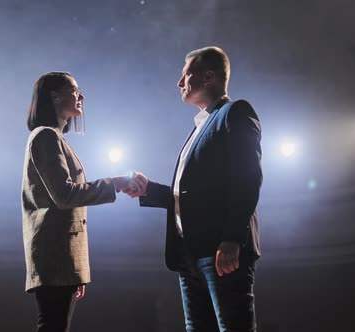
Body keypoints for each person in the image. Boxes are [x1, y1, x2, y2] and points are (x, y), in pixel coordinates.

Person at [132, 46, 262, 331]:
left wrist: (231, 239)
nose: (179, 83)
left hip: (220, 250)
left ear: (208, 77)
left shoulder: (235, 112)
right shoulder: (200, 126)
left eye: (185, 75)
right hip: (190, 254)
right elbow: (195, 194)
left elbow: (248, 178)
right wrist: (148, 191)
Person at [21, 72, 143, 332]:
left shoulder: (54, 137)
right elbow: (65, 195)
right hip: (54, 255)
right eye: (74, 90)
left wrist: (76, 265)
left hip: (60, 258)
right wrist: (116, 183)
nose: (81, 96)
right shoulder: (46, 136)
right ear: (54, 96)